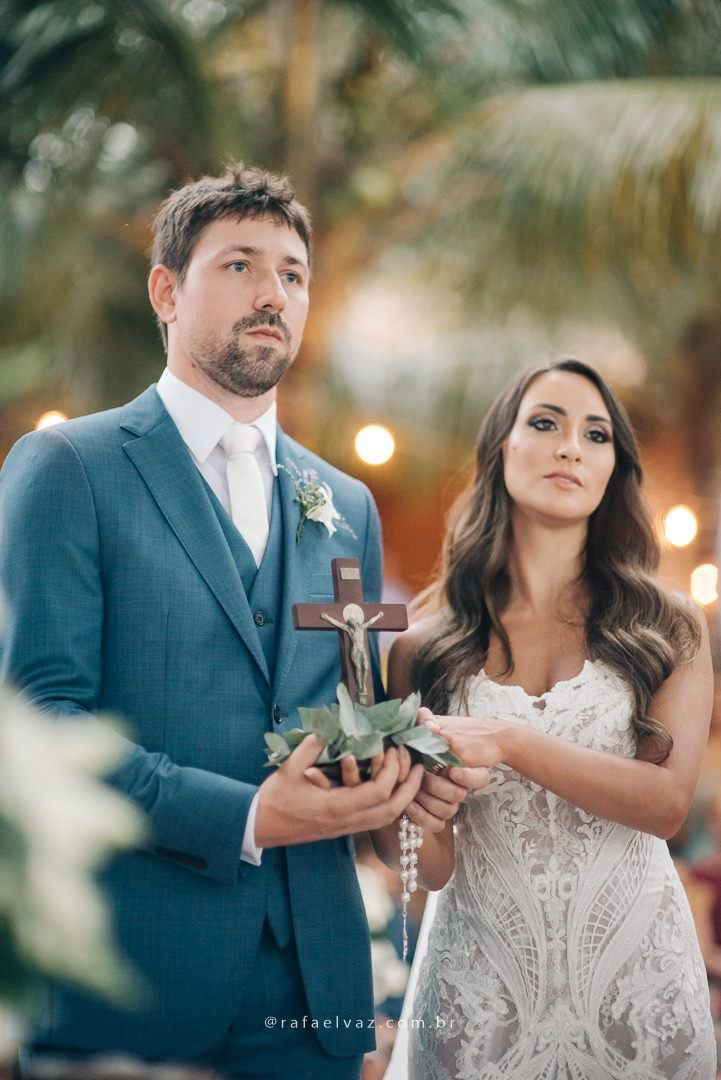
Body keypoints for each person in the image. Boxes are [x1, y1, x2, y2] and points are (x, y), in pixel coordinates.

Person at [0, 164, 428, 1079]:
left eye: (293, 273)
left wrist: (401, 762)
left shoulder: (344, 501)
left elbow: (351, 707)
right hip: (128, 982)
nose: (273, 292)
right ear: (165, 290)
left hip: (312, 995)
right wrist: (246, 816)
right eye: (239, 265)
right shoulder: (68, 466)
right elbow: (40, 726)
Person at [376, 359, 716, 1079]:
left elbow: (663, 807)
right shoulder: (421, 648)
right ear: (502, 449)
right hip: (479, 987)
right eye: (544, 424)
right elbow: (428, 869)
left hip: (636, 980)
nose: (570, 447)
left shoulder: (665, 625)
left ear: (610, 470)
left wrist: (508, 741)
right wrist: (406, 805)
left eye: (595, 435)